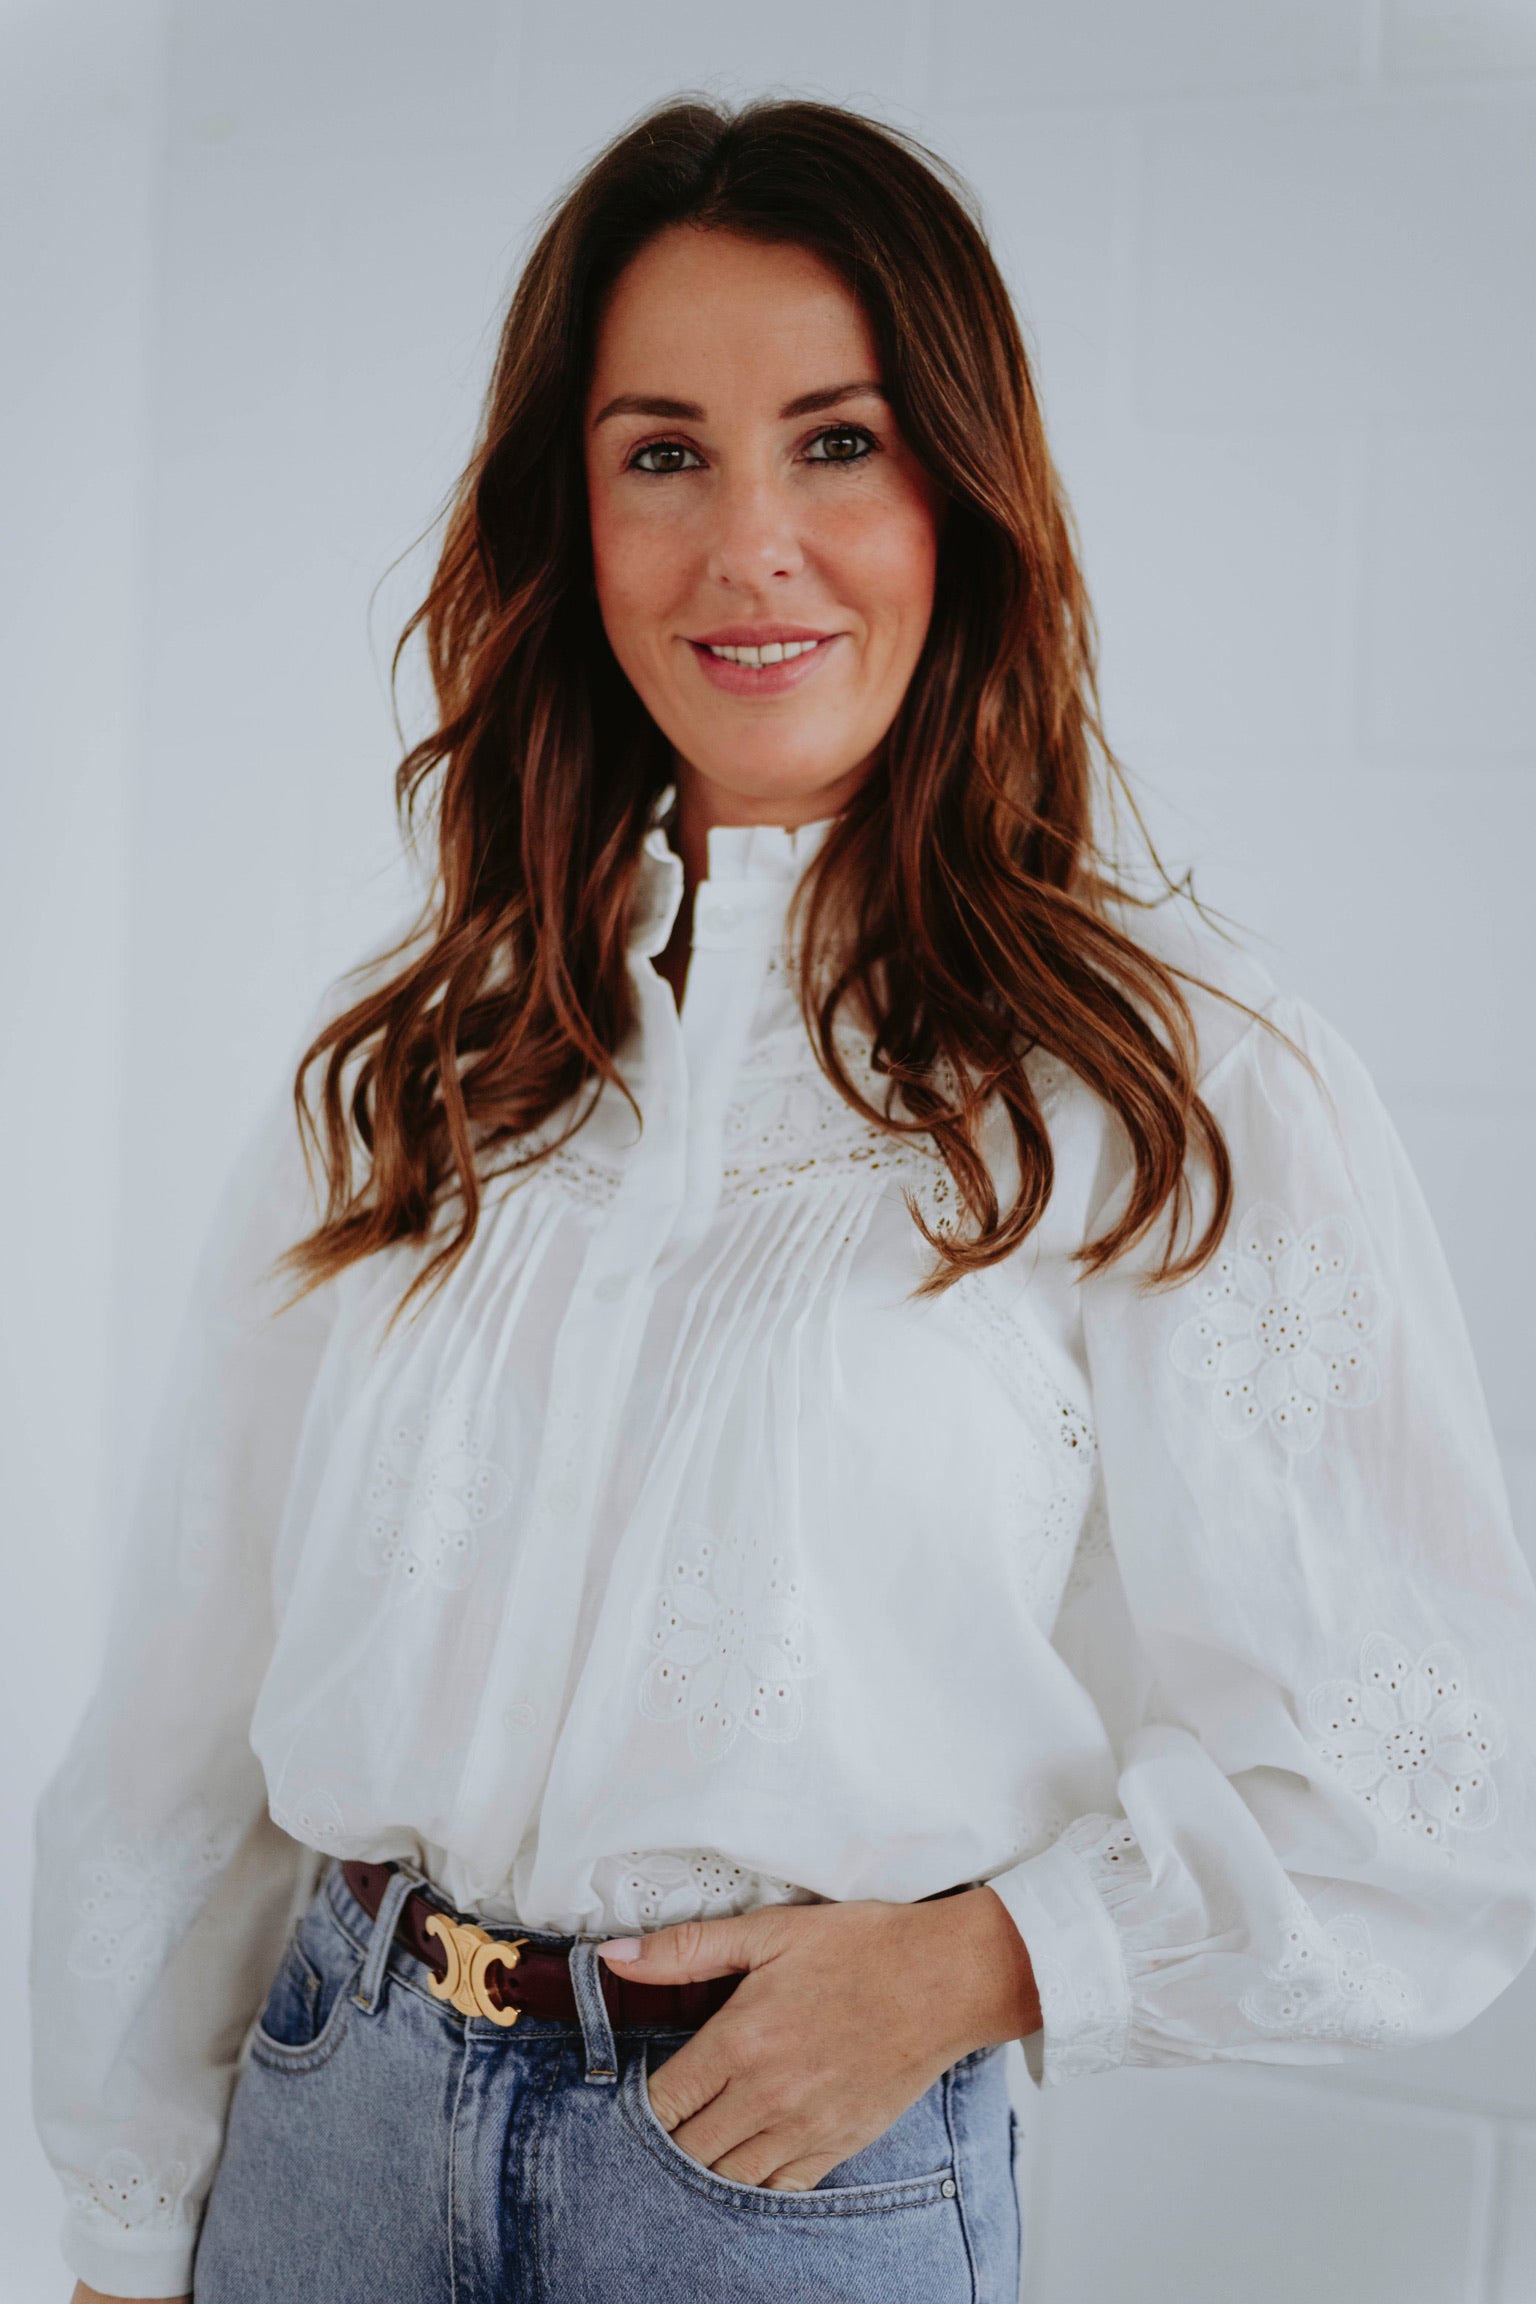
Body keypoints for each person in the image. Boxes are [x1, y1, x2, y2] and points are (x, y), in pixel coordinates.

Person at [33, 97, 1536, 2304]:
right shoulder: (414, 1063)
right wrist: (117, 2216)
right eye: (664, 454)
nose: (751, 547)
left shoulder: (1167, 1082)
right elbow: (189, 1712)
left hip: (774, 2171)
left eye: (838, 443)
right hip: (324, 2126)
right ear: (573, 515)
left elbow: (1426, 1796)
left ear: (964, 493)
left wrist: (980, 1964)